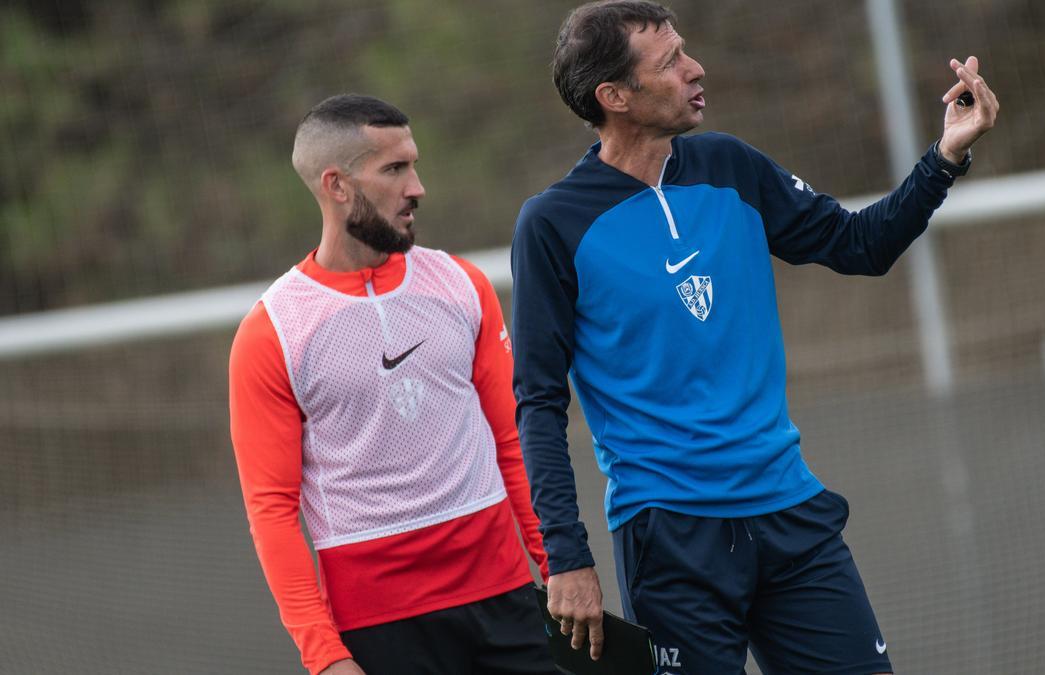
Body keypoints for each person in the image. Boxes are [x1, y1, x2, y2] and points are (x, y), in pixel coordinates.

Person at [509, 2, 998, 673]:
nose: (695, 69)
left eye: (686, 51)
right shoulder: (552, 223)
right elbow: (537, 402)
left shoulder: (728, 165)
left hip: (790, 510)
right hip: (670, 538)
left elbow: (861, 244)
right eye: (670, 62)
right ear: (614, 97)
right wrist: (566, 556)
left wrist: (945, 155)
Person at [229, 94, 557, 675]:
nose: (417, 187)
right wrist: (325, 656)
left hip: (506, 602)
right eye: (395, 169)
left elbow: (513, 443)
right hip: (379, 629)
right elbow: (272, 511)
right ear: (337, 185)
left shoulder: (462, 285)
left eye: (414, 164)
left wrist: (557, 565)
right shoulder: (272, 332)